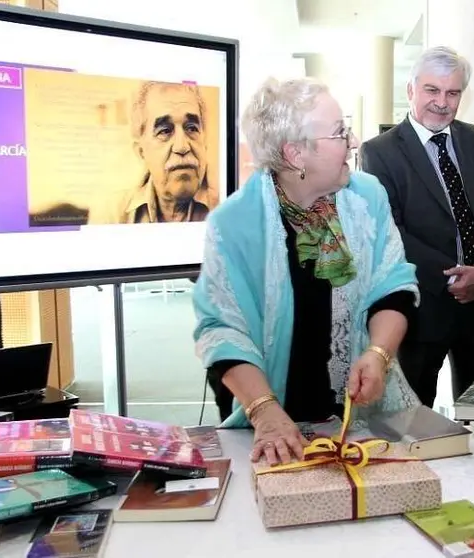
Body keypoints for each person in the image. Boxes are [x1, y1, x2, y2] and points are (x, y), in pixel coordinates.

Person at [192, 77, 421, 466]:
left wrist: (379, 353)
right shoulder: (233, 223)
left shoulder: (367, 197)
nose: (353, 142)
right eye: (339, 133)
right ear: (296, 153)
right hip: (275, 417)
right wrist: (265, 411)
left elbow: (393, 284)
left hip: (361, 417)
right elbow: (221, 329)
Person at [359, 46, 474, 409]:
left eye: (452, 93)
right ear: (410, 90)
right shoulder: (379, 152)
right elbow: (389, 230)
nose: (442, 102)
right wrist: (454, 278)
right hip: (422, 308)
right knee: (411, 421)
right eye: (432, 90)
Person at [88, 81, 217, 225]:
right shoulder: (111, 214)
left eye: (192, 128)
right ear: (141, 152)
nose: (182, 147)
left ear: (204, 144)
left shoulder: (226, 208)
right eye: (165, 131)